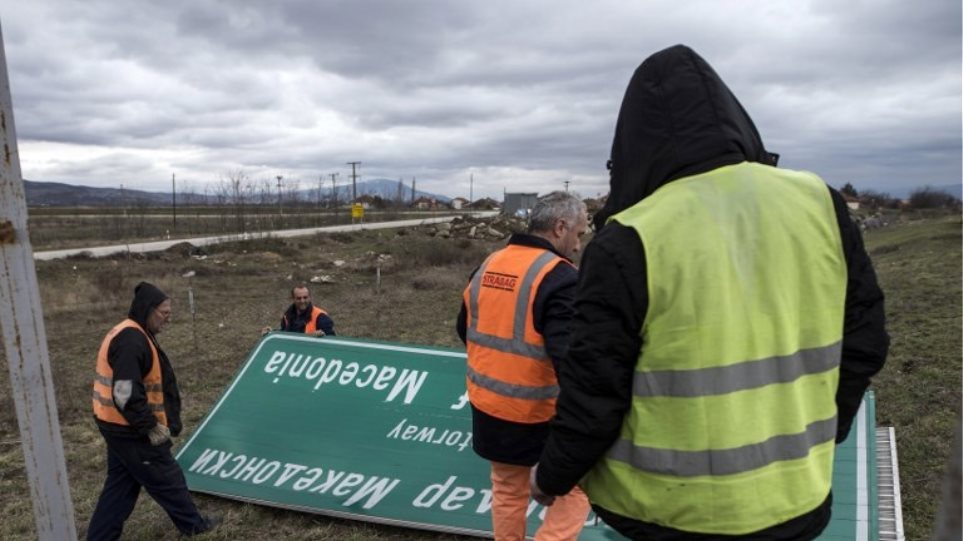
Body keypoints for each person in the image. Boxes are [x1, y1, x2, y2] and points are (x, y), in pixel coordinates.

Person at [530, 44, 889, 540]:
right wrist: (825, 434)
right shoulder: (819, 204)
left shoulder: (631, 237)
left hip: (662, 514)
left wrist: (551, 476)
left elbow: (595, 390)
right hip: (796, 501)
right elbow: (865, 343)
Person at [456, 191, 592, 541]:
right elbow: (571, 361)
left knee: (507, 491)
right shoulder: (560, 278)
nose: (578, 246)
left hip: (488, 407)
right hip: (538, 414)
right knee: (578, 489)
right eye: (579, 234)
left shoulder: (489, 263)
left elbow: (465, 328)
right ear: (560, 227)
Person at [88, 282, 218, 540]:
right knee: (167, 478)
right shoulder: (132, 341)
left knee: (120, 486)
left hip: (115, 425)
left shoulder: (132, 332)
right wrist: (149, 426)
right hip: (131, 429)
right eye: (165, 313)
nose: (168, 319)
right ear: (148, 309)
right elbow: (125, 393)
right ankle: (194, 526)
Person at [263, 284, 336, 337]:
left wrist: (321, 336)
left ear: (310, 297)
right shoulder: (288, 315)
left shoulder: (321, 316)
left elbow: (332, 340)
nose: (302, 301)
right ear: (293, 299)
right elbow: (286, 335)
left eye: (305, 297)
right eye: (299, 298)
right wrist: (272, 333)